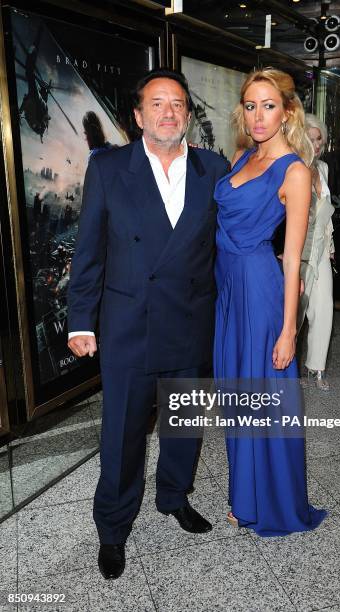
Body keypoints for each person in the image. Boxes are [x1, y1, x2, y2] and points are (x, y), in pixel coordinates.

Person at [68, 68, 229, 579]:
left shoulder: (213, 168)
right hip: (127, 325)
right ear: (138, 116)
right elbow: (89, 250)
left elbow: (227, 247)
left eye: (178, 104)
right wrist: (79, 321)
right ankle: (113, 529)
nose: (169, 112)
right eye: (157, 103)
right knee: (122, 434)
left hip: (189, 320)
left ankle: (174, 497)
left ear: (188, 115)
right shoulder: (110, 168)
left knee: (184, 426)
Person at [213, 68, 326, 536]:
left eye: (269, 106)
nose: (258, 116)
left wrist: (288, 330)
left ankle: (271, 503)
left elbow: (294, 257)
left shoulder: (295, 171)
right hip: (227, 291)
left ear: (288, 112)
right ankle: (246, 495)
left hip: (260, 292)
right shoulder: (241, 156)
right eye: (251, 105)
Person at [297, 114, 335, 391]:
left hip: (321, 248)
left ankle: (315, 369)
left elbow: (326, 213)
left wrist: (331, 247)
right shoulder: (291, 168)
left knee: (323, 308)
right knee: (295, 312)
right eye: (310, 138)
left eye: (319, 138)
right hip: (298, 250)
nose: (316, 143)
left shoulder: (322, 169)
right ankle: (284, 368)